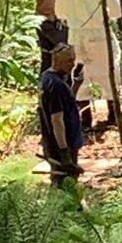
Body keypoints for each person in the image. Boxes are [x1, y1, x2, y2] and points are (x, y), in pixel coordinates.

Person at [54, 0, 122, 126]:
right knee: (109, 70)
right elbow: (116, 12)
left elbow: (59, 12)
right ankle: (113, 115)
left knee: (81, 73)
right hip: (100, 33)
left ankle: (85, 119)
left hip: (77, 35)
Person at [38, 43, 83, 187]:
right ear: (56, 61)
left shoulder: (48, 77)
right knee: (64, 184)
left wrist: (76, 85)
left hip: (58, 144)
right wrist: (64, 154)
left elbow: (68, 102)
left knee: (66, 183)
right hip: (62, 145)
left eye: (73, 59)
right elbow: (56, 120)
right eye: (69, 61)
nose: (72, 64)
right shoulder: (55, 85)